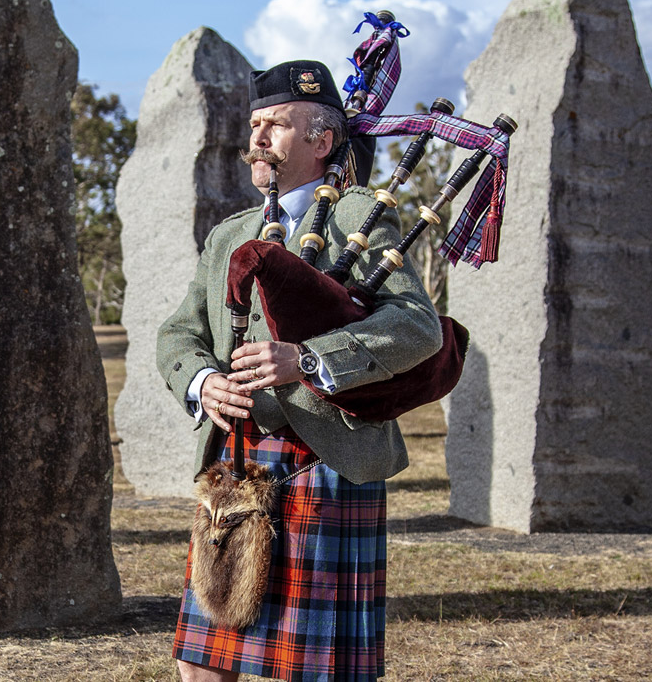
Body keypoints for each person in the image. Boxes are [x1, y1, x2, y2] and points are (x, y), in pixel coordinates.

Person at [156, 59, 443, 682]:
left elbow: (420, 327)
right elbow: (180, 333)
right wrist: (205, 383)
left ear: (321, 140)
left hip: (324, 458)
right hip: (236, 461)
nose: (257, 137)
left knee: (307, 670)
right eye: (255, 123)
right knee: (202, 662)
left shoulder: (357, 216)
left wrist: (307, 359)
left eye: (277, 125)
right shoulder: (229, 234)